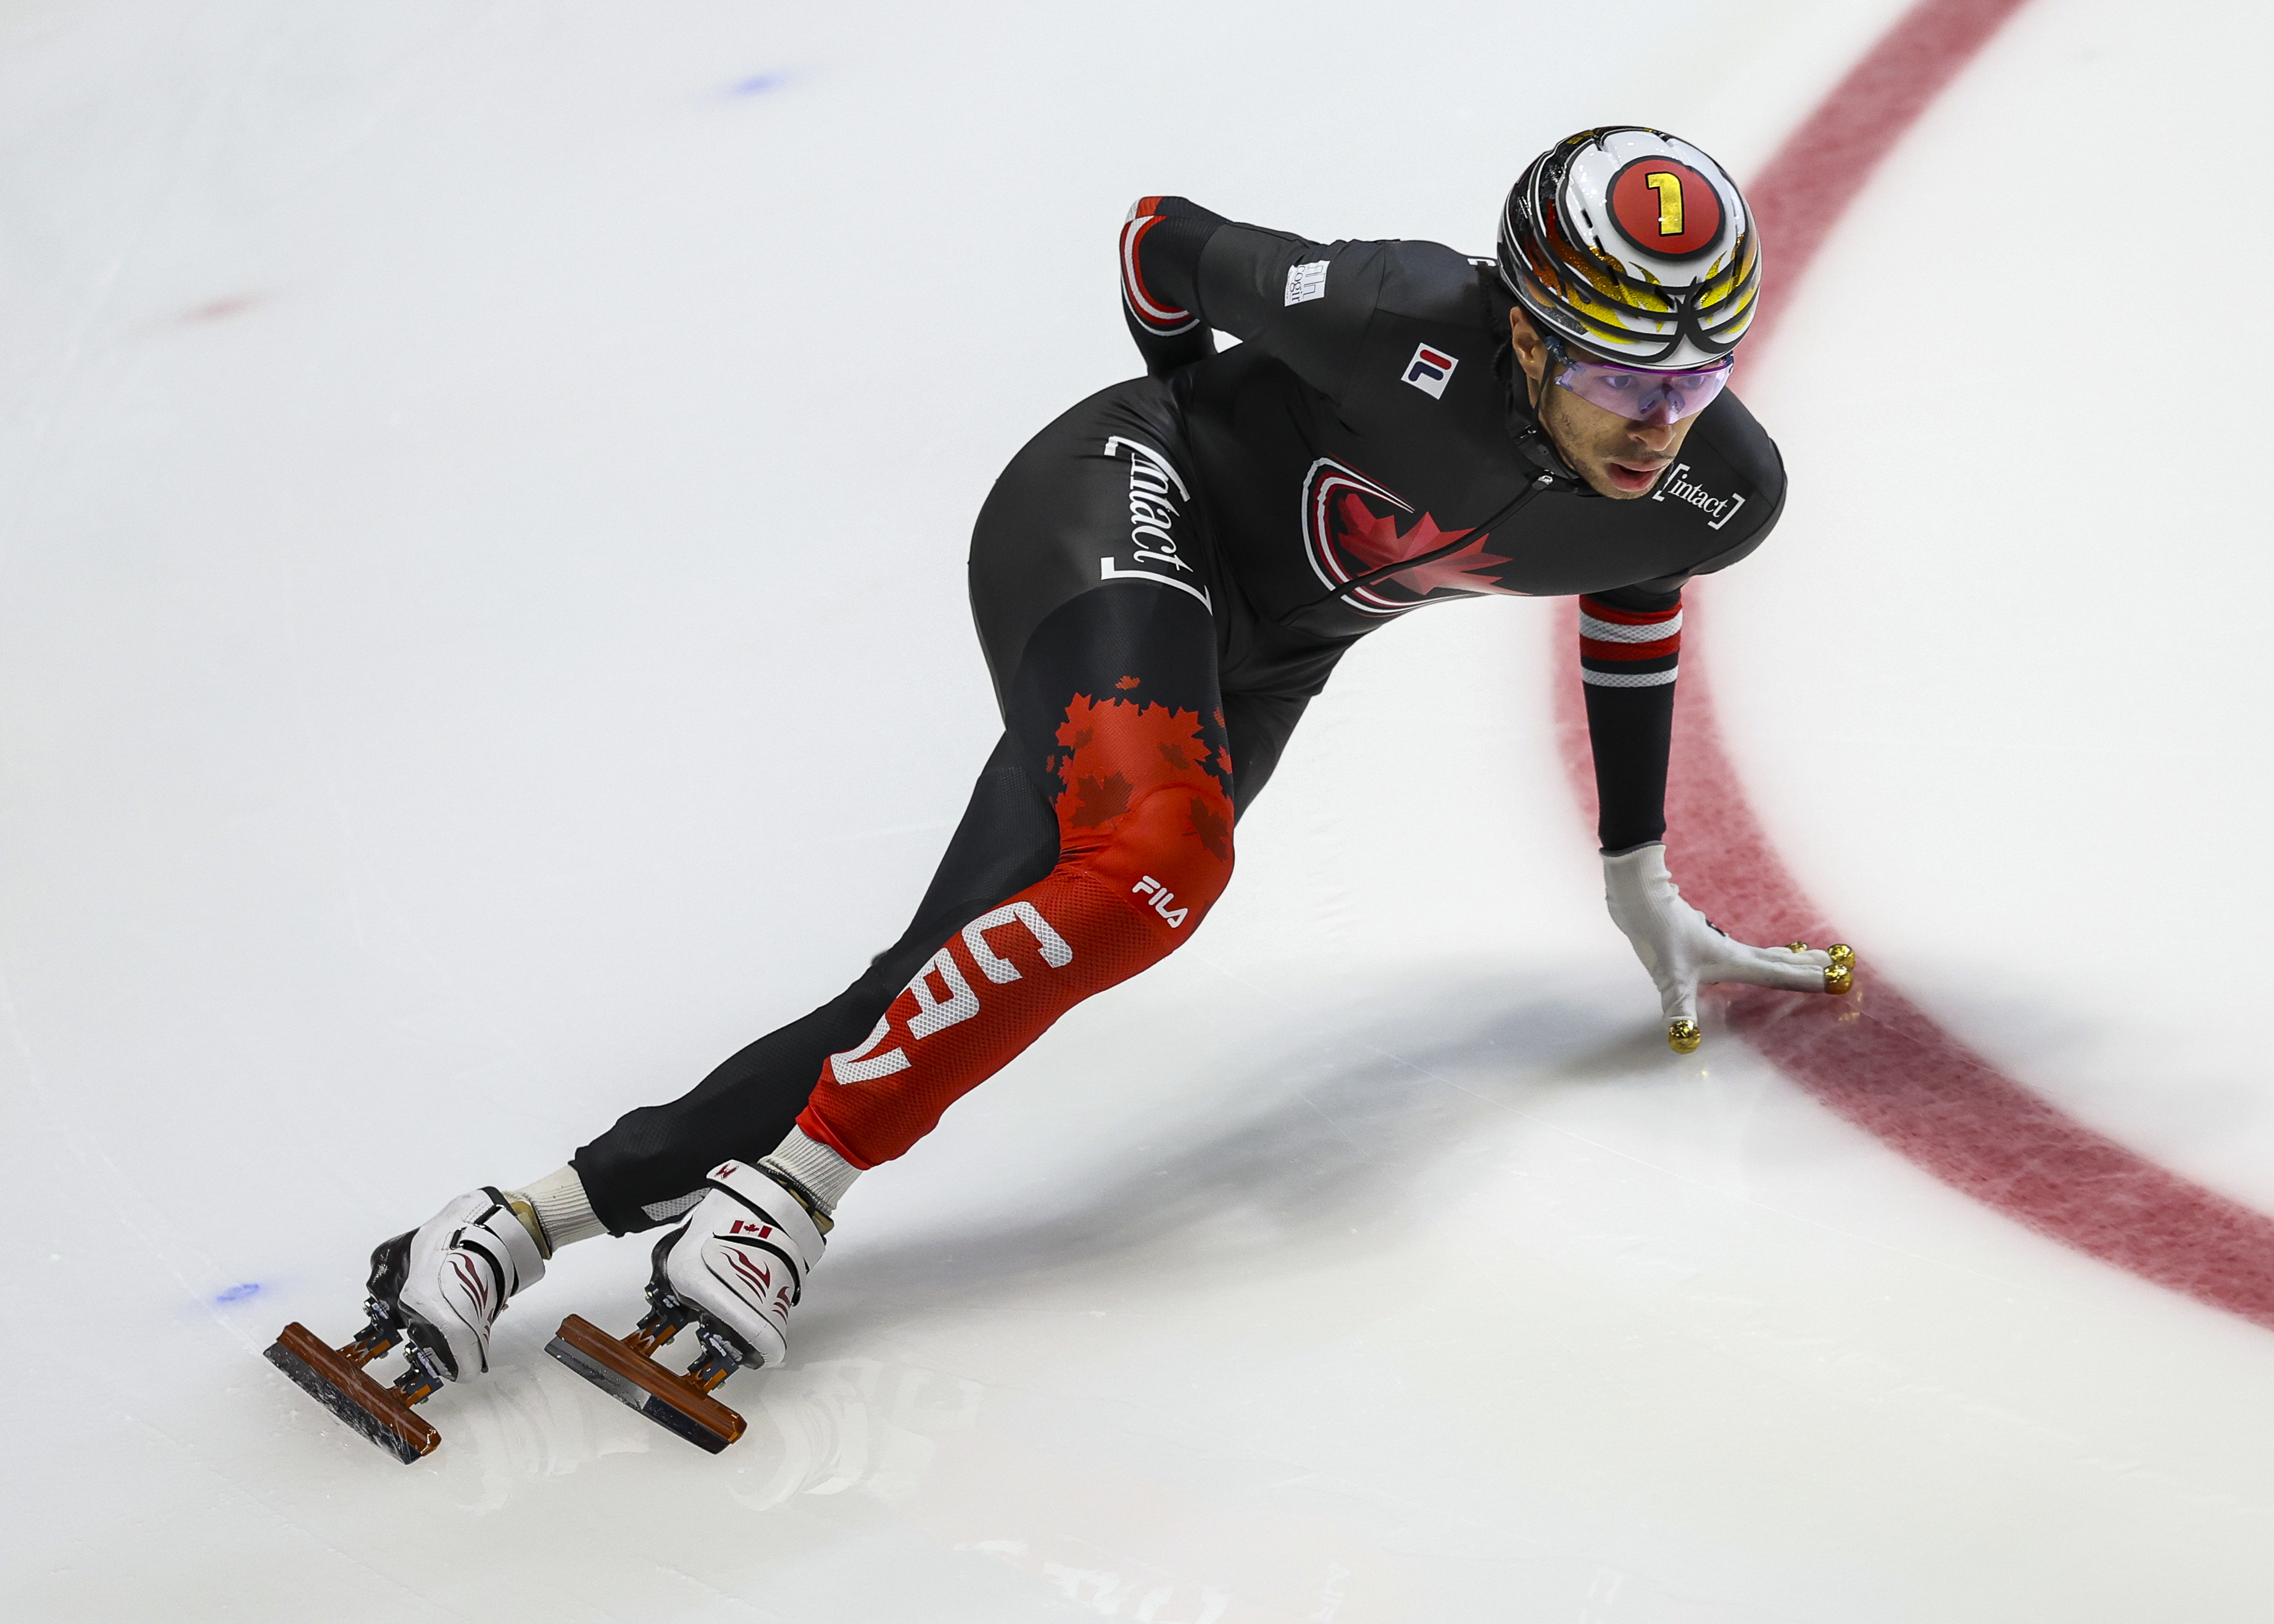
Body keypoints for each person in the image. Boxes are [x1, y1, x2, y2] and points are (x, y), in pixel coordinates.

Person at [276, 126, 1850, 1452]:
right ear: (1518, 326)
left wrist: (1632, 864)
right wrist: (1191, 406)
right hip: (1117, 500)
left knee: (948, 969)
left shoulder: (1720, 488)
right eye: (1616, 377)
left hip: (1265, 656)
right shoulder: (1390, 311)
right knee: (1164, 857)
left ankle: (511, 1224)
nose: (1658, 423)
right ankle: (787, 1200)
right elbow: (1163, 238)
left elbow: (1643, 578)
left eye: (1695, 376)